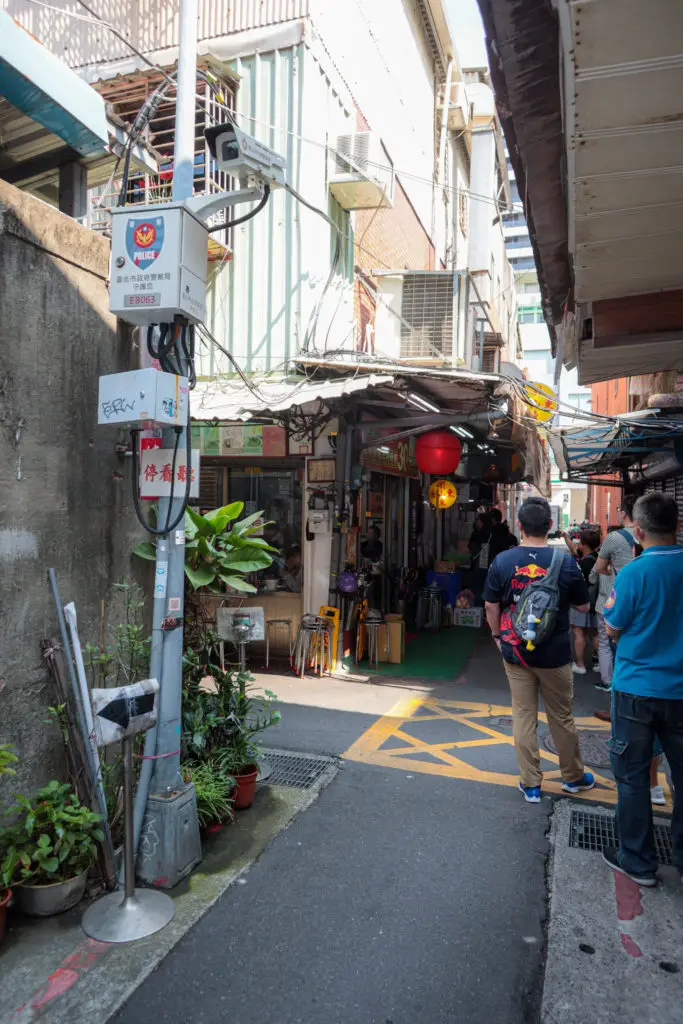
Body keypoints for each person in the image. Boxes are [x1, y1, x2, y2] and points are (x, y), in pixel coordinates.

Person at [484, 496, 595, 803]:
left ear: (519, 526)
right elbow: (584, 605)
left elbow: (491, 604)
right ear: (550, 526)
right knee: (561, 717)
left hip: (517, 652)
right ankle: (573, 778)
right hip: (556, 653)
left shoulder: (503, 561)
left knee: (523, 715)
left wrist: (496, 635)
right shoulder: (566, 562)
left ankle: (531, 784)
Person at [601, 493, 683, 885]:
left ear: (639, 530)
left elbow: (613, 627)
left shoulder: (633, 572)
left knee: (633, 778)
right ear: (677, 526)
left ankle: (638, 862)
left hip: (635, 690)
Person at [564, 528, 600, 675]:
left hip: (581, 602)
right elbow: (573, 548)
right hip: (596, 602)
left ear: (584, 545)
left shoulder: (583, 564)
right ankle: (601, 663)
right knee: (595, 632)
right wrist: (565, 537)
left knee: (578, 631)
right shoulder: (598, 557)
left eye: (579, 542)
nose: (577, 544)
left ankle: (579, 664)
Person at [468, 513, 492, 605]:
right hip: (487, 565)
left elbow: (472, 548)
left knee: (477, 588)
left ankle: (478, 608)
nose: (477, 522)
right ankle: (483, 609)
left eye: (479, 520)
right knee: (485, 588)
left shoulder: (478, 534)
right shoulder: (491, 534)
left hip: (479, 564)